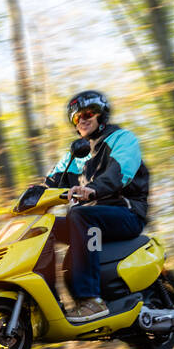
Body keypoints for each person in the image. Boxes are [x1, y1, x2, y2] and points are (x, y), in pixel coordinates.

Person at [42, 90, 150, 323]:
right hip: (89, 219)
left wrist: (94, 189)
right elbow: (49, 183)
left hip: (126, 213)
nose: (82, 119)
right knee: (41, 229)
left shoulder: (123, 139)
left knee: (81, 216)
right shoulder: (75, 155)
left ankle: (91, 299)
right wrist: (30, 198)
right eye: (76, 118)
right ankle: (47, 299)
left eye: (88, 113)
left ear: (102, 115)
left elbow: (119, 172)